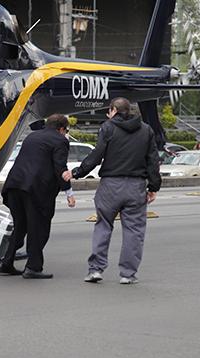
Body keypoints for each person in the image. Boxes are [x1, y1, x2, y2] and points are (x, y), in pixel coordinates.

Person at [63, 97, 161, 284]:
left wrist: (76, 172)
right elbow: (152, 161)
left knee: (103, 225)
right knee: (134, 231)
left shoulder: (108, 127)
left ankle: (96, 270)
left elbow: (96, 155)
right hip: (136, 186)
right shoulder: (146, 130)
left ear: (114, 110)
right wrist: (153, 187)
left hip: (110, 185)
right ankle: (127, 274)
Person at [0, 114, 76, 279]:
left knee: (20, 226)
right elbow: (59, 167)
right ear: (62, 128)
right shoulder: (60, 140)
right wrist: (68, 192)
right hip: (36, 189)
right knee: (38, 228)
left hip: (14, 185)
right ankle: (33, 267)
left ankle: (7, 261)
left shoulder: (32, 136)